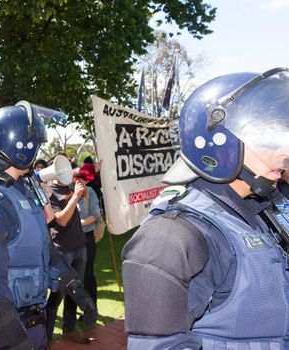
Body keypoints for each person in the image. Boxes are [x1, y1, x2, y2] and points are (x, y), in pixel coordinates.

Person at [122, 68, 289, 349]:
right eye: (265, 141)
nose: (282, 153)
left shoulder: (258, 215)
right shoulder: (174, 235)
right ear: (219, 142)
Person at [0, 102, 96, 349]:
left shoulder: (24, 191)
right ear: (22, 147)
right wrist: (16, 343)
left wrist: (75, 287)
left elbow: (45, 249)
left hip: (31, 324)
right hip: (0, 335)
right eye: (36, 144)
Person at [45, 157, 91, 345]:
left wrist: (81, 192)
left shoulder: (71, 185)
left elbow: (86, 198)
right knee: (56, 296)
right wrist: (75, 197)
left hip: (80, 245)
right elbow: (61, 221)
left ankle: (69, 329)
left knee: (75, 292)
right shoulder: (49, 192)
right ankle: (45, 338)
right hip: (62, 251)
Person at [74, 164, 100, 308]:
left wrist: (80, 223)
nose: (80, 181)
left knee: (88, 273)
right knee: (76, 277)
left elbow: (95, 214)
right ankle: (80, 307)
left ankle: (92, 307)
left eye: (83, 178)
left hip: (87, 237)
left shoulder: (90, 192)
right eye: (77, 177)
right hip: (72, 240)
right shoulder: (68, 193)